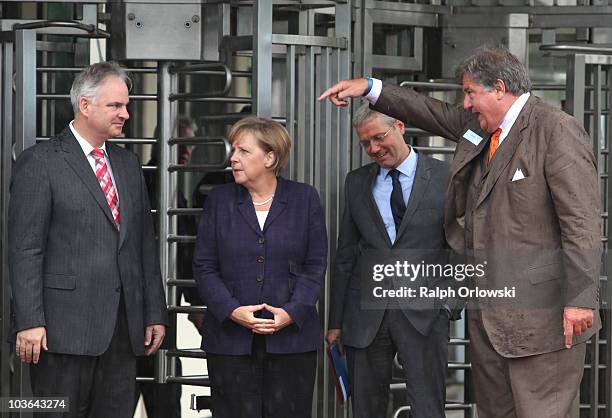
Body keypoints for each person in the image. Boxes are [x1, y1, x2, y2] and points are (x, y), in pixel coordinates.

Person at [319, 45, 601, 418]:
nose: (465, 104)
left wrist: (581, 298)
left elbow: (581, 220)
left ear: (499, 88)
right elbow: (433, 113)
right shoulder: (482, 131)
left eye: (470, 93)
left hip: (541, 319)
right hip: (489, 317)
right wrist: (371, 88)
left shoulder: (556, 130)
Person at [8, 61, 168, 417]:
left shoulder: (128, 164)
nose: (125, 114)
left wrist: (154, 311)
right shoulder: (41, 162)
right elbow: (25, 248)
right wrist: (30, 320)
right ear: (85, 105)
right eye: (116, 106)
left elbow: (143, 243)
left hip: (122, 332)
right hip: (60, 332)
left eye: (126, 106)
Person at [193, 116, 327, 418]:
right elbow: (203, 266)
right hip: (230, 342)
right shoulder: (219, 199)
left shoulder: (304, 199)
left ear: (270, 157)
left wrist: (292, 312)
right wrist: (231, 310)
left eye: (243, 151)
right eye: (233, 150)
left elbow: (315, 265)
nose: (233, 158)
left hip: (292, 341)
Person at [326, 104, 454, 418]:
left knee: (428, 408)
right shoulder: (356, 182)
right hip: (365, 315)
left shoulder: (446, 176)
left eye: (379, 138)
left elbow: (463, 245)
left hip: (425, 313)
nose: (373, 148)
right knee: (366, 409)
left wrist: (448, 304)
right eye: (365, 143)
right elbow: (346, 254)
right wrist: (336, 322)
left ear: (399, 125)